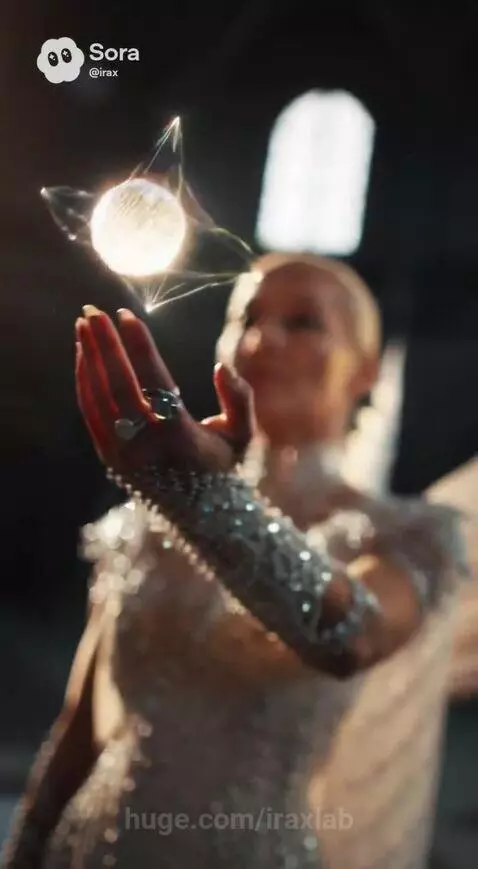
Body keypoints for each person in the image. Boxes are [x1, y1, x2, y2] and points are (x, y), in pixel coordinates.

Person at [2, 254, 466, 869]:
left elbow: (349, 636)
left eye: (303, 323)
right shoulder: (150, 522)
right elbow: (79, 727)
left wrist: (208, 503)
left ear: (367, 371)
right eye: (246, 315)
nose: (260, 339)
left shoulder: (408, 537)